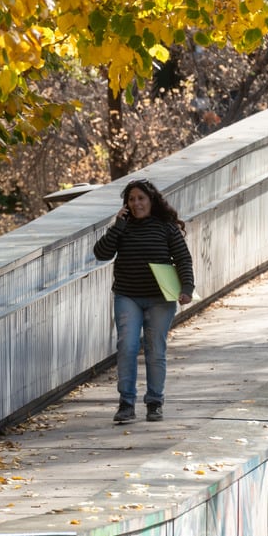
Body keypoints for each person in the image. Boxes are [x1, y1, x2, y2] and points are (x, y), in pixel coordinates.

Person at [93, 178, 194, 425]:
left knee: (154, 350)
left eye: (141, 198)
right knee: (126, 347)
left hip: (161, 298)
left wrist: (187, 288)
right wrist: (117, 225)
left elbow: (183, 259)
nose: (137, 203)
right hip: (128, 295)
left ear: (151, 201)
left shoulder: (166, 227)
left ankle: (154, 402)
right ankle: (126, 404)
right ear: (126, 204)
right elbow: (101, 254)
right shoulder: (123, 227)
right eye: (131, 199)